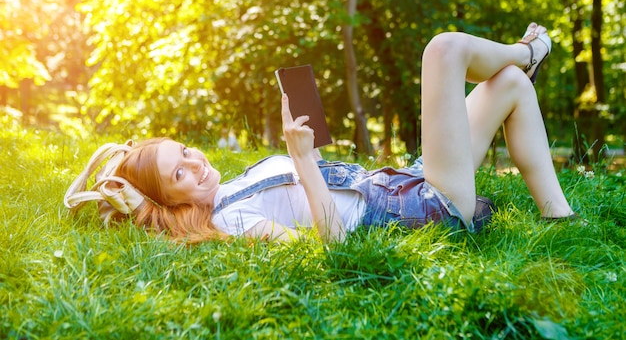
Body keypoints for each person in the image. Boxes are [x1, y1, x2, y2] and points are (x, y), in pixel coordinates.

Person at [65, 23, 577, 244]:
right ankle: (528, 53)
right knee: (443, 50)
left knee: (506, 85)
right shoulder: (232, 217)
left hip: (404, 179)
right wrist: (303, 159)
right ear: (173, 203)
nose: (196, 163)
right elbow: (333, 241)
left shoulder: (241, 179)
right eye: (180, 173)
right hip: (422, 207)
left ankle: (560, 217)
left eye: (185, 152)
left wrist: (307, 149)